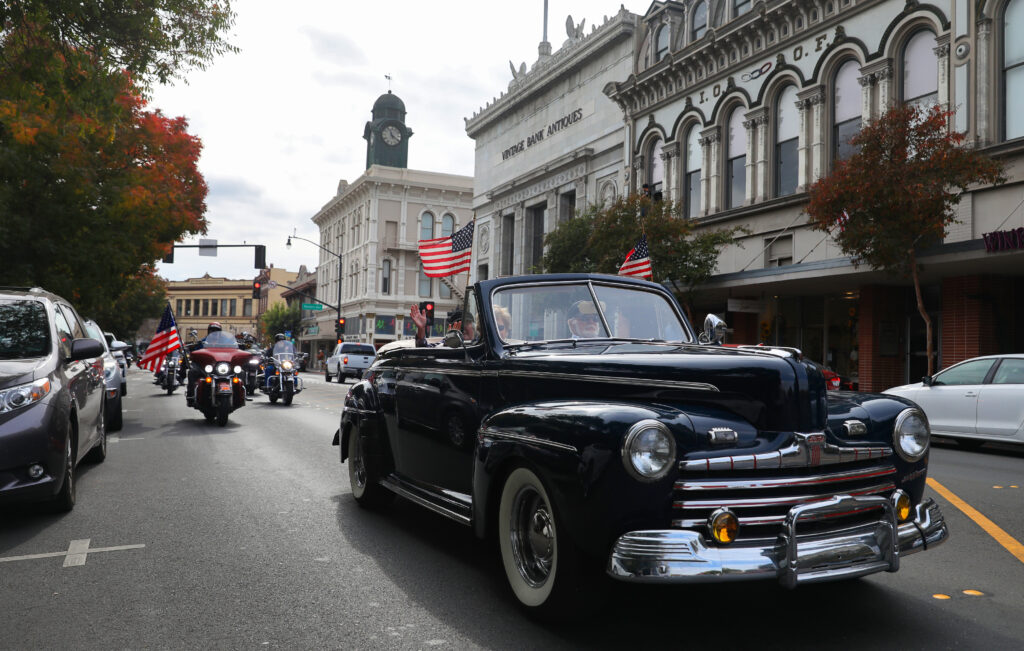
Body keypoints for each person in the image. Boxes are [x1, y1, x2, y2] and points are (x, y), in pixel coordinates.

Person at [186, 322, 224, 406]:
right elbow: (196, 351)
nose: (214, 333)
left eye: (216, 331)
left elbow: (233, 348)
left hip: (220, 367)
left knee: (240, 372)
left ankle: (241, 394)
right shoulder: (203, 341)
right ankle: (191, 395)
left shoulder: (225, 342)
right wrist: (193, 348)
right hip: (205, 366)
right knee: (192, 372)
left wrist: (239, 345)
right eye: (212, 330)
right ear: (208, 331)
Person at [410, 304, 475, 347]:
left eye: (466, 323)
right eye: (457, 324)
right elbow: (424, 350)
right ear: (450, 329)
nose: (462, 327)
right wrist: (421, 329)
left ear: (473, 326)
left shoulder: (481, 343)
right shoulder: (445, 343)